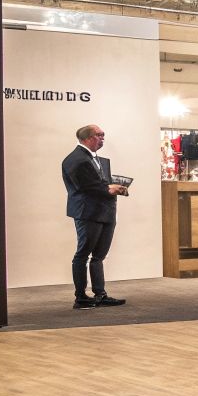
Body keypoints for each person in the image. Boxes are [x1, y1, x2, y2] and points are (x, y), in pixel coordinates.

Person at [62, 124, 128, 311]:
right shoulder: (75, 159)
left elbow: (99, 182)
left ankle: (100, 294)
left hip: (105, 211)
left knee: (99, 255)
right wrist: (109, 189)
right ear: (87, 138)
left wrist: (114, 187)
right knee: (82, 254)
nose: (102, 138)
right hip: (88, 212)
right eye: (99, 135)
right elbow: (86, 187)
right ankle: (81, 297)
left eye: (103, 135)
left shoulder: (98, 159)